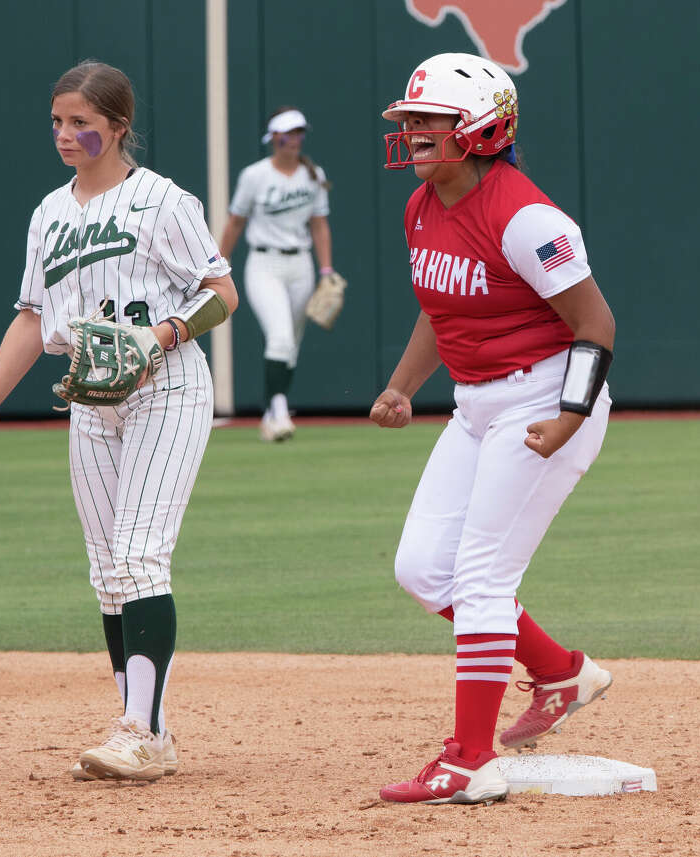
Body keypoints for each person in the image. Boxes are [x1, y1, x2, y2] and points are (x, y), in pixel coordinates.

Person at [0, 61, 238, 782]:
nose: (66, 133)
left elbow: (221, 292)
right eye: (57, 121)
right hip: (90, 398)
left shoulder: (162, 201)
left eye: (82, 121)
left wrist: (163, 335)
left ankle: (139, 731)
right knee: (108, 573)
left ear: (117, 125)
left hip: (166, 389)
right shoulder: (49, 214)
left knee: (140, 554)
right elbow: (31, 314)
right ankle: (148, 730)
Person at [370, 53, 617, 805]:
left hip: (543, 397)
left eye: (428, 120)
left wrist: (568, 416)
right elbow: (440, 306)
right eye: (408, 120)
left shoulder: (526, 216)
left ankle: (469, 758)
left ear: (477, 128)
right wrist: (400, 385)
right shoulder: (422, 206)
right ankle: (561, 670)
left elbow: (594, 323)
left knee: (480, 576)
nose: (411, 131)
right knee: (422, 569)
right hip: (475, 403)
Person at [218, 106, 337, 442]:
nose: (295, 140)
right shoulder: (255, 175)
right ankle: (280, 412)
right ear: (274, 138)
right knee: (280, 337)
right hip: (264, 263)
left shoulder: (312, 174)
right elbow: (235, 222)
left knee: (292, 344)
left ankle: (272, 411)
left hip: (300, 264)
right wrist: (219, 263)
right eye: (289, 133)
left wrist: (326, 270)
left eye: (300, 133)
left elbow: (319, 225)